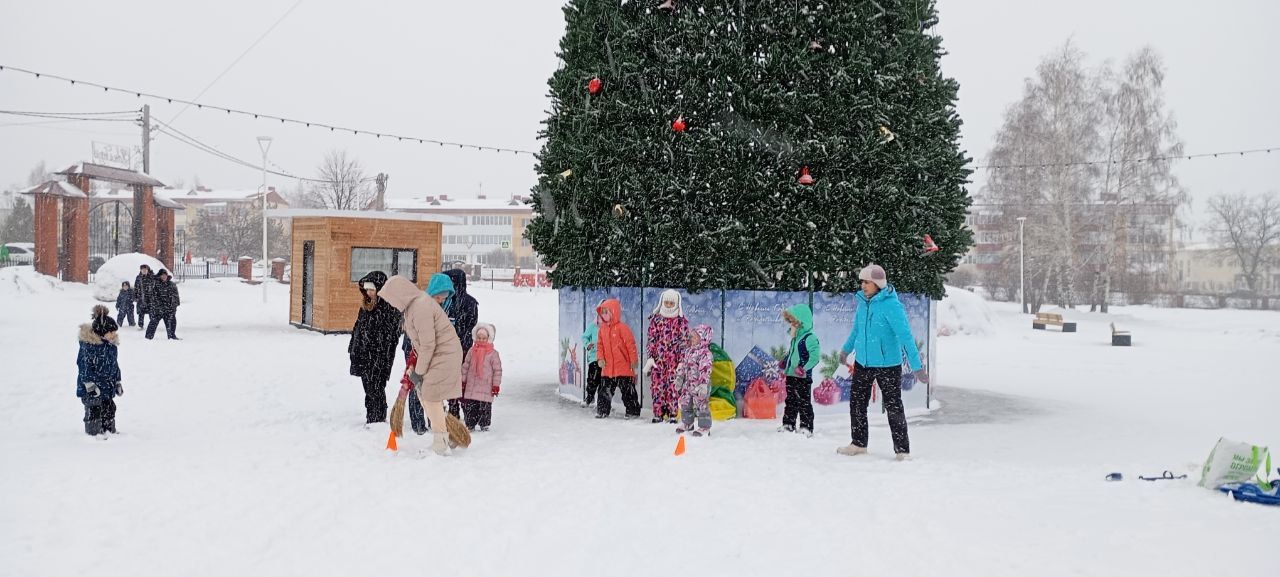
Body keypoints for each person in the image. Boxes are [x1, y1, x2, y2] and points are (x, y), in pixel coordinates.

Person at [836, 264, 928, 461]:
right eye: (861, 282)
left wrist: (917, 367)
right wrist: (846, 349)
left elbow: (906, 336)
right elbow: (856, 331)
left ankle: (902, 450)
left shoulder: (891, 306)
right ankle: (858, 443)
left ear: (878, 284)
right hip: (863, 363)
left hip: (887, 365)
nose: (863, 285)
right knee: (857, 403)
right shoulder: (863, 303)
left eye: (867, 282)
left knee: (893, 406)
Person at [381, 274, 464, 456]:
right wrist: (414, 368)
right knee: (424, 394)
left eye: (391, 300)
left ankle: (440, 442)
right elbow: (421, 344)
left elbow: (428, 344)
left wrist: (418, 372)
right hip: (436, 355)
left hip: (444, 356)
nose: (392, 304)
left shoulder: (421, 306)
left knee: (431, 395)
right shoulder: (414, 306)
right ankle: (448, 434)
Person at [403, 273, 457, 435]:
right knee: (417, 385)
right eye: (439, 297)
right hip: (416, 351)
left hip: (434, 354)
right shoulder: (420, 306)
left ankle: (434, 422)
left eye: (445, 297)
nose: (442, 300)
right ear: (433, 292)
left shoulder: (440, 307)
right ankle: (418, 423)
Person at [348, 271, 403, 425]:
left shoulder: (390, 308)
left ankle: (378, 417)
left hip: (379, 356)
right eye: (367, 289)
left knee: (376, 387)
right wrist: (354, 346)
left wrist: (378, 346)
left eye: (372, 289)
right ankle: (371, 416)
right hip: (363, 353)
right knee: (368, 387)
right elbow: (357, 328)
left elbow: (392, 334)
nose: (369, 292)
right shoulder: (365, 306)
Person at [644, 289, 689, 423]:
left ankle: (673, 413)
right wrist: (651, 356)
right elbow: (651, 339)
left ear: (676, 303)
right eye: (666, 302)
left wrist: (682, 361)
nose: (669, 305)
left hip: (674, 361)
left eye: (671, 303)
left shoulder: (681, 322)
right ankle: (658, 413)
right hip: (658, 360)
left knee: (673, 388)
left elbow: (684, 342)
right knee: (657, 387)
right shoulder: (656, 320)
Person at [78, 307, 123, 436]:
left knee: (110, 408)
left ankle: (108, 430)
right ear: (102, 332)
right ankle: (94, 433)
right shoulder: (90, 347)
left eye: (114, 332)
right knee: (94, 409)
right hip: (92, 387)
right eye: (111, 332)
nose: (114, 334)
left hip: (107, 385)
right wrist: (89, 384)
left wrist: (118, 382)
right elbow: (84, 366)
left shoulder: (111, 346)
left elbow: (114, 365)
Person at [595, 298, 640, 419]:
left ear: (613, 312)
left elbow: (631, 345)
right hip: (607, 369)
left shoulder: (623, 328)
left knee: (628, 391)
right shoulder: (602, 330)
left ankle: (633, 411)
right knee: (604, 391)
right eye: (602, 313)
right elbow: (599, 346)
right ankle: (602, 410)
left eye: (606, 312)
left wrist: (634, 361)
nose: (603, 315)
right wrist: (600, 358)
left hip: (623, 368)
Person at [779, 304, 820, 437]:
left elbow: (814, 357)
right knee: (790, 400)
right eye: (790, 322)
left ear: (801, 322)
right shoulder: (795, 338)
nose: (791, 325)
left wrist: (804, 368)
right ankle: (788, 424)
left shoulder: (810, 338)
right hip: (791, 375)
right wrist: (785, 361)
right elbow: (792, 354)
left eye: (793, 322)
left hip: (803, 377)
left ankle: (806, 427)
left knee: (804, 402)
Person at [443, 269, 479, 419]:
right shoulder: (446, 300)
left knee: (462, 381)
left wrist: (459, 335)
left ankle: (464, 413)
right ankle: (456, 413)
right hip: (452, 347)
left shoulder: (468, 302)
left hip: (462, 348)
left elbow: (472, 324)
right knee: (455, 381)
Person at [459, 323, 502, 431]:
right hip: (472, 385)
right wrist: (463, 381)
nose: (481, 340)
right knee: (471, 407)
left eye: (484, 338)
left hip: (486, 386)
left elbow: (497, 371)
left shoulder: (493, 354)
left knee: (484, 407)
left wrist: (495, 385)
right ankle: (470, 424)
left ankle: (484, 424)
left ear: (489, 338)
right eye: (479, 338)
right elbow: (465, 366)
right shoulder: (472, 351)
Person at [674, 324, 714, 437]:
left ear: (703, 338)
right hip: (688, 384)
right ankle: (688, 423)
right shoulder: (688, 351)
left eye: (695, 336)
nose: (692, 338)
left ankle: (705, 427)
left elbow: (705, 369)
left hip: (700, 384)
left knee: (702, 405)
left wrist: (703, 384)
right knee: (686, 403)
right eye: (691, 336)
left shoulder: (705, 354)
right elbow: (683, 365)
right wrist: (680, 378)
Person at [580, 300, 604, 408]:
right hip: (594, 357)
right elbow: (584, 336)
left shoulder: (610, 327)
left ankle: (602, 402)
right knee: (592, 379)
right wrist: (587, 344)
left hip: (605, 358)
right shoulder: (593, 326)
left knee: (604, 381)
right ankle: (589, 397)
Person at [145, 269, 180, 340]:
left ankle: (172, 336)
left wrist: (174, 306)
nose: (164, 276)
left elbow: (176, 296)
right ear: (159, 276)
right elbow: (152, 296)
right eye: (162, 275)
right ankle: (148, 337)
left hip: (169, 308)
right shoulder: (155, 284)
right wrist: (157, 305)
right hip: (158, 309)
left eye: (165, 275)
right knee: (153, 322)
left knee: (172, 322)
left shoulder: (172, 284)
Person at [134, 264, 156, 330]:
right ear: (140, 270)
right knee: (141, 312)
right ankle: (140, 325)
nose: (144, 270)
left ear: (147, 270)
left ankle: (152, 325)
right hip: (141, 298)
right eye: (142, 269)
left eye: (145, 269)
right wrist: (135, 296)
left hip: (150, 298)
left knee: (151, 312)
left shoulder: (151, 277)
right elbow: (136, 287)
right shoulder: (138, 278)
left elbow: (155, 287)